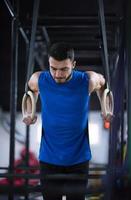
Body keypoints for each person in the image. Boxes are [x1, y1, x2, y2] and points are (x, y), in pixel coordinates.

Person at [22, 42, 111, 200]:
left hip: (78, 161)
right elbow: (31, 90)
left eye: (64, 69)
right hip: (49, 160)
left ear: (73, 65)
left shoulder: (87, 80)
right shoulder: (39, 79)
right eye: (53, 68)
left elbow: (103, 84)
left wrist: (106, 109)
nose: (57, 74)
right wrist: (30, 111)